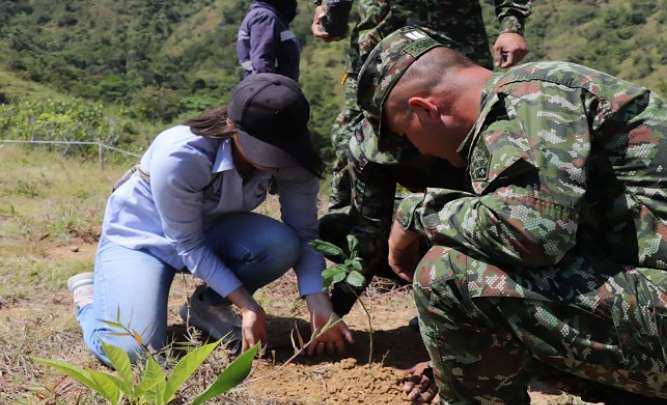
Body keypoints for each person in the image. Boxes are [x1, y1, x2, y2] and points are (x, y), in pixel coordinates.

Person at [356, 26, 667, 405]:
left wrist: (417, 212)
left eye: (405, 135)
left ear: (425, 109)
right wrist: (455, 359)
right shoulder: (524, 102)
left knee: (447, 276)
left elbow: (534, 235)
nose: (417, 151)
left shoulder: (530, 96)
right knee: (510, 289)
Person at [67, 73, 353, 366]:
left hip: (212, 230)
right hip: (144, 239)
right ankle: (90, 300)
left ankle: (207, 306)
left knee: (281, 244)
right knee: (134, 352)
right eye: (264, 149)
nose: (273, 161)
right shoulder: (182, 153)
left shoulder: (294, 157)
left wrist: (318, 300)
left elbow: (304, 232)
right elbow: (188, 244)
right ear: (232, 125)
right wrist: (247, 305)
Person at [310, 0, 532, 316]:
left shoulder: (492, 128)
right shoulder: (375, 132)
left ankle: (462, 304)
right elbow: (368, 228)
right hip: (377, 70)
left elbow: (528, 230)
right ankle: (437, 292)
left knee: (468, 200)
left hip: (446, 69)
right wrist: (334, 308)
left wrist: (512, 24)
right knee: (339, 224)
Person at [237, 0, 301, 80]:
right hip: (270, 88)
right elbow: (261, 63)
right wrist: (268, 88)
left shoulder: (269, 17)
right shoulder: (265, 16)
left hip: (273, 87)